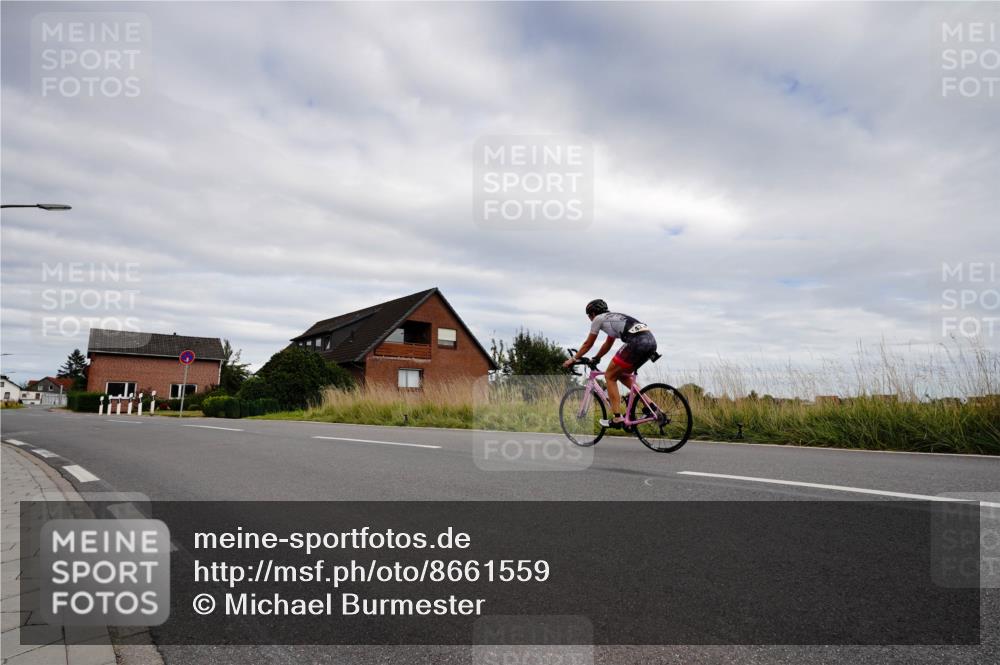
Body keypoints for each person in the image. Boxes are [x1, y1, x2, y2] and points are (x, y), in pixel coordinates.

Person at [562, 299, 658, 428]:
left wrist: (573, 359)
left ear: (593, 313)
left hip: (636, 343)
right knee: (623, 375)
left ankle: (617, 418)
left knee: (609, 376)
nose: (590, 319)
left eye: (589, 316)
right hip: (651, 343)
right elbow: (608, 344)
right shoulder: (613, 318)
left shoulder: (598, 319)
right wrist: (596, 357)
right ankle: (651, 408)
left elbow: (588, 344)